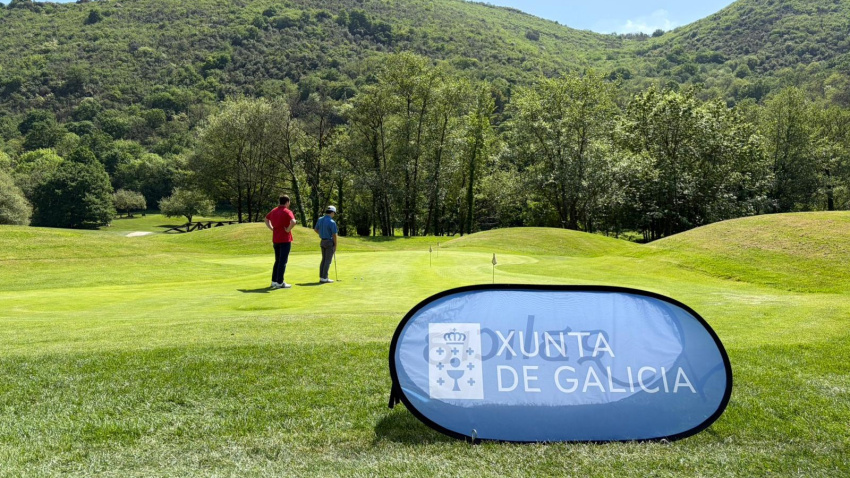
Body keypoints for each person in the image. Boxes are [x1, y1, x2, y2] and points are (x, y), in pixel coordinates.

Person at [265, 195, 297, 289]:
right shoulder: (287, 211)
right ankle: (280, 282)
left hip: (276, 239)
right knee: (283, 261)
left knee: (277, 260)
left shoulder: (274, 210)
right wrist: (288, 230)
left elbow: (266, 219)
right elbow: (293, 221)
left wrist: (271, 228)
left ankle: (274, 281)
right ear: (287, 202)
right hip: (285, 239)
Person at [313, 205, 338, 283]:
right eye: (334, 213)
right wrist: (335, 245)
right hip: (329, 242)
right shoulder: (332, 222)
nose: (334, 215)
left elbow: (316, 229)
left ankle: (322, 277)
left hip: (322, 241)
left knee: (324, 259)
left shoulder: (320, 219)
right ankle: (324, 278)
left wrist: (322, 234)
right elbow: (334, 235)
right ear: (332, 212)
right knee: (328, 260)